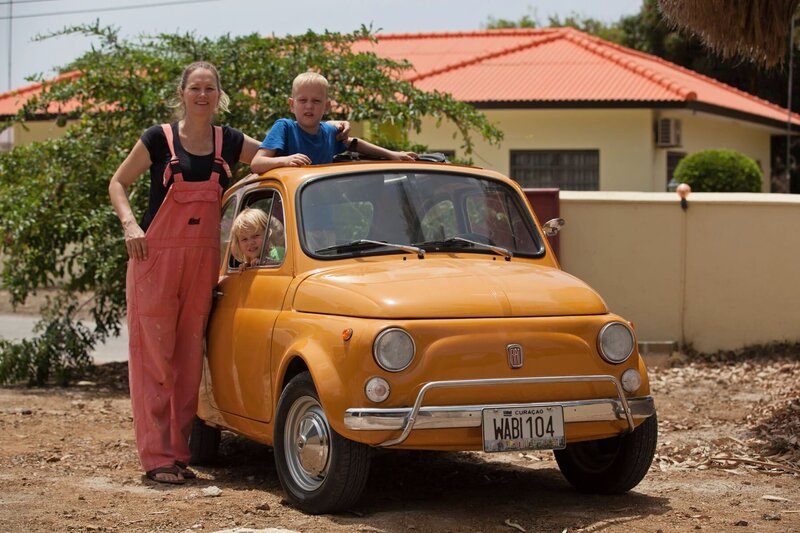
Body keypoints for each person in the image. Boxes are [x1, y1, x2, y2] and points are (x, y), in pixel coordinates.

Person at [108, 61, 263, 485]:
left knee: (188, 362)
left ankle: (177, 455)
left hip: (200, 264)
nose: (202, 95)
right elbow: (118, 183)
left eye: (210, 88)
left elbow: (272, 155)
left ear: (219, 95)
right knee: (154, 361)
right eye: (195, 88)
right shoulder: (158, 139)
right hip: (154, 258)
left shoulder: (229, 141)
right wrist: (130, 225)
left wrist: (329, 138)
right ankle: (156, 458)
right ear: (182, 93)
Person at [250, 72, 417, 173]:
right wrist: (285, 161)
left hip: (323, 212)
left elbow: (354, 144)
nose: (309, 106)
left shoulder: (328, 132)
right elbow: (256, 164)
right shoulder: (285, 128)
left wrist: (391, 154)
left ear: (327, 106)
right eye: (302, 100)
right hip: (286, 214)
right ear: (292, 105)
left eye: (316, 101)